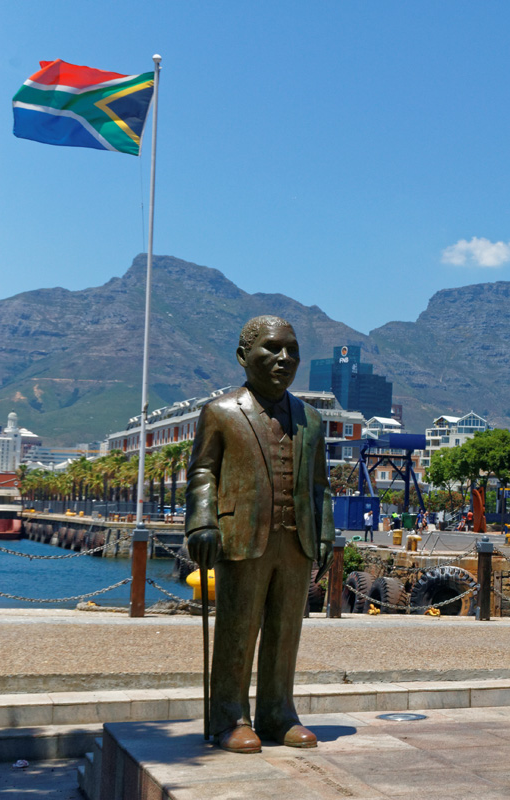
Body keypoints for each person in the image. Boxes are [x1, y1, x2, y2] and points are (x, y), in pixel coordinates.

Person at [186, 315, 334, 753]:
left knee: (286, 630)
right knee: (238, 627)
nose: (284, 359)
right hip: (242, 537)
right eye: (272, 348)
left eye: (292, 351)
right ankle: (230, 716)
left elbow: (320, 485)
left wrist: (325, 531)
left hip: (296, 540)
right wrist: (203, 522)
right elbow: (202, 472)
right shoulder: (221, 412)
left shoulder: (311, 418)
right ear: (243, 356)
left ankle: (278, 712)